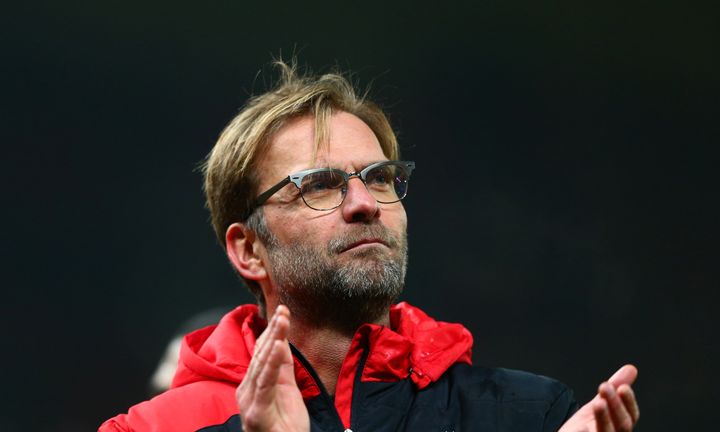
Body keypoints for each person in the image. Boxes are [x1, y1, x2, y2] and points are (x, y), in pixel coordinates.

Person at [100, 61, 640, 432]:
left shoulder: (530, 414)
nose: (365, 204)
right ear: (247, 250)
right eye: (319, 184)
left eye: (380, 178)